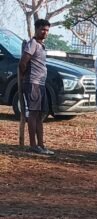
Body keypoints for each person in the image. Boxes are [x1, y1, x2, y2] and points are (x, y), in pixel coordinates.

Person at [18, 19, 52, 155]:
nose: (45, 32)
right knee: (33, 113)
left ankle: (41, 145)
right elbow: (23, 62)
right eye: (42, 29)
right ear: (36, 29)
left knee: (40, 115)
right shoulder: (32, 44)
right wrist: (23, 77)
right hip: (33, 83)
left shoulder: (41, 45)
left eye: (47, 30)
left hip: (41, 84)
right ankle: (33, 145)